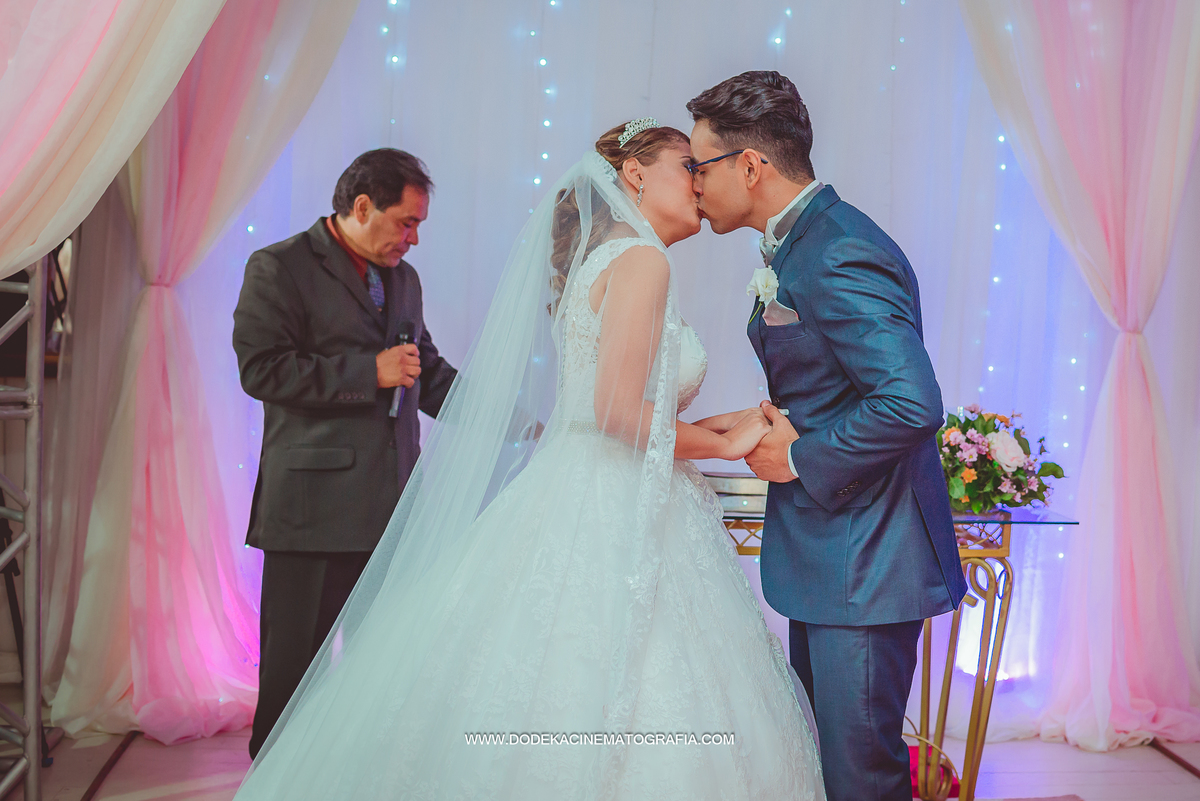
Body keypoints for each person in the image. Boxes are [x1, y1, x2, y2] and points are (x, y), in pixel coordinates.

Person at [234, 121, 824, 800]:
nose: (698, 178)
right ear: (633, 173)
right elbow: (262, 367)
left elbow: (590, 401)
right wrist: (721, 443)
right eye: (684, 165)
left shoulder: (585, 264)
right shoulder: (641, 262)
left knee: (417, 677)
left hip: (485, 486)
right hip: (313, 502)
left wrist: (537, 425)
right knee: (293, 671)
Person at [686, 71, 968, 801]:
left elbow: (911, 400)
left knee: (860, 780)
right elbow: (836, 382)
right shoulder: (802, 244)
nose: (692, 183)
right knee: (829, 773)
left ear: (750, 166)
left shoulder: (838, 248)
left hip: (866, 564)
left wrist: (800, 453)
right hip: (833, 553)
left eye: (700, 165)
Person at [232, 148, 457, 759]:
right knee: (292, 683)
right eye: (405, 223)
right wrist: (369, 372)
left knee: (376, 678)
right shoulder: (278, 267)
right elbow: (262, 370)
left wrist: (514, 419)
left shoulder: (404, 279)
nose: (412, 240)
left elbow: (423, 371)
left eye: (419, 227)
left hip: (388, 515)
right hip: (309, 515)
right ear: (362, 206)